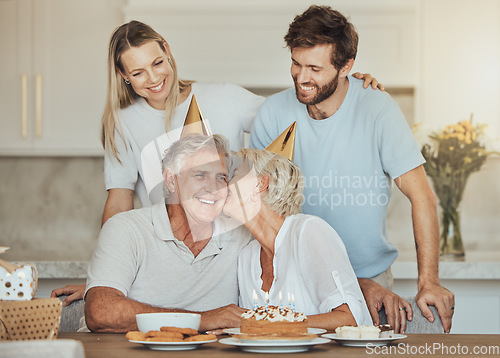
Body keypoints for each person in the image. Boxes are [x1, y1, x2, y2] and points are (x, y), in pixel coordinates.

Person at [50, 19, 381, 305]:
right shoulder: (123, 124)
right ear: (122, 74)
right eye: (137, 72)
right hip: (173, 258)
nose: (153, 78)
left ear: (167, 49)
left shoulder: (225, 96)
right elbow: (119, 201)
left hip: (237, 254)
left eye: (157, 62)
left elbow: (293, 116)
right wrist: (103, 278)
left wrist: (341, 86)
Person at [249, 5, 455, 333]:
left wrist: (428, 282)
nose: (302, 77)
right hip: (298, 278)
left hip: (373, 279)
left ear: (346, 66)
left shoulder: (378, 108)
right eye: (296, 63)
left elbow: (422, 197)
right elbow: (259, 212)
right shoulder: (272, 113)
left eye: (315, 68)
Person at [83, 134, 251, 332]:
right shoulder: (127, 228)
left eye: (221, 178)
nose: (213, 188)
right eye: (200, 175)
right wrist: (201, 320)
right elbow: (101, 312)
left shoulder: (241, 237)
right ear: (171, 180)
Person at [223, 149, 372, 330]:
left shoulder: (308, 231)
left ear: (260, 184)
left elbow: (349, 319)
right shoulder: (246, 257)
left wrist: (272, 325)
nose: (223, 182)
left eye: (233, 174)